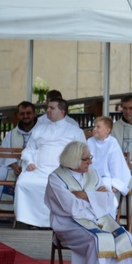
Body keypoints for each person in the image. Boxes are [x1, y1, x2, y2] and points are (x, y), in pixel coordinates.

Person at [45, 141, 132, 264]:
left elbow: (107, 200)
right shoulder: (56, 179)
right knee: (98, 239)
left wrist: (85, 195)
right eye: (86, 159)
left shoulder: (93, 173)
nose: (90, 162)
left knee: (126, 238)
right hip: (68, 224)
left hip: (97, 218)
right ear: (74, 159)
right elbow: (72, 208)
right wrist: (94, 197)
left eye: (90, 158)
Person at [14, 97, 86, 228]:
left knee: (55, 186)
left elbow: (83, 153)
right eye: (47, 107)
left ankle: (57, 222)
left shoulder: (75, 131)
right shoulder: (39, 129)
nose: (47, 110)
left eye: (52, 108)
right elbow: (29, 149)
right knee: (23, 183)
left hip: (62, 171)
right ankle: (32, 221)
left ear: (62, 112)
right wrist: (29, 161)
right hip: (39, 169)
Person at [0, 101, 37, 211]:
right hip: (13, 166)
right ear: (18, 115)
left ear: (35, 114)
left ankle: (24, 213)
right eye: (22, 113)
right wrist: (15, 167)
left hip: (33, 167)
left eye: (28, 113)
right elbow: (5, 152)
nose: (25, 116)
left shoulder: (42, 131)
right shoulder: (11, 134)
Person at [86, 116, 132, 219]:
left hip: (106, 180)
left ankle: (108, 223)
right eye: (94, 126)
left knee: (108, 198)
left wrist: (116, 183)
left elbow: (116, 164)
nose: (94, 129)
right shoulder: (89, 142)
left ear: (107, 130)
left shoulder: (112, 143)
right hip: (91, 178)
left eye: (98, 127)